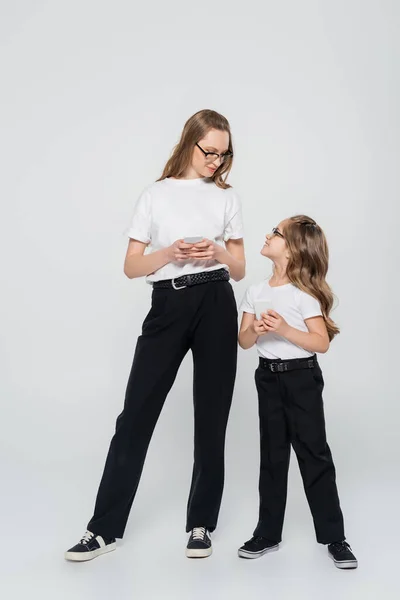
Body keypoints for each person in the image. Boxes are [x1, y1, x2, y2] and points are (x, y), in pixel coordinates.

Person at [65, 109, 245, 562]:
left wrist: (218, 250)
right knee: (136, 414)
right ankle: (103, 529)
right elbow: (131, 267)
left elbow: (240, 269)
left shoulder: (227, 197)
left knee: (211, 415)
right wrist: (169, 252)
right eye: (210, 152)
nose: (216, 162)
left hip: (217, 301)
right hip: (168, 302)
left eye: (224, 155)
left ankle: (201, 523)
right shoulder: (155, 195)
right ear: (190, 143)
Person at [237, 215, 357, 570]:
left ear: (290, 249)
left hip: (302, 379)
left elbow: (320, 343)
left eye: (275, 233)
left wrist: (286, 330)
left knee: (313, 454)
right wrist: (257, 330)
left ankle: (335, 537)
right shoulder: (256, 292)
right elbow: (243, 341)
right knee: (272, 456)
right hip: (267, 378)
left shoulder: (303, 294)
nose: (267, 235)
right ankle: (268, 533)